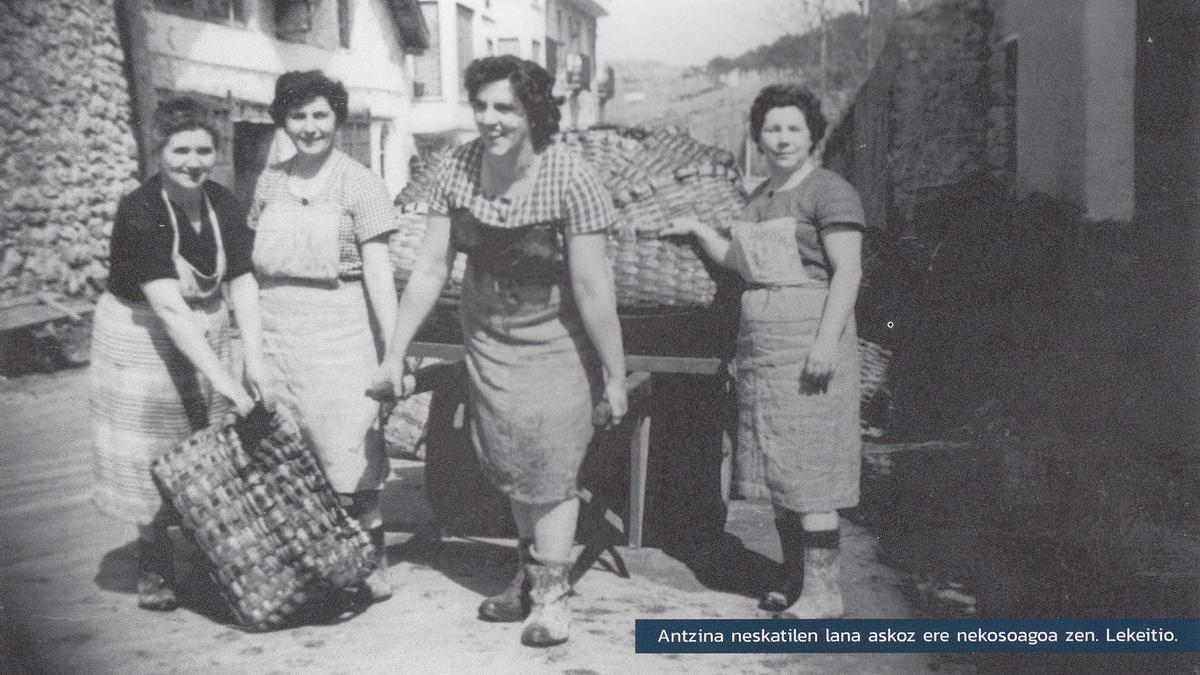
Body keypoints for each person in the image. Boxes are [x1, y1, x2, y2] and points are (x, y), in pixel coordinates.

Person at [372, 55, 627, 647]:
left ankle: (551, 597)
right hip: (488, 340)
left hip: (556, 341)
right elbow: (431, 268)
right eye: (482, 106)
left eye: (505, 108)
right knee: (513, 460)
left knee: (551, 465)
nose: (490, 119)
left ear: (533, 112)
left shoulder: (569, 176)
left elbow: (593, 287)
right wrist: (394, 353)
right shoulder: (456, 168)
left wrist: (615, 375)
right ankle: (530, 573)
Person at [660, 84, 870, 618]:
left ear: (813, 136)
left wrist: (824, 344)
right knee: (781, 470)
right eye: (772, 128)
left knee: (811, 469)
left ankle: (824, 593)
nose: (782, 138)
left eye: (794, 128)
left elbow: (849, 271)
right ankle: (795, 579)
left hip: (809, 340)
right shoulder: (759, 198)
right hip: (764, 349)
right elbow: (738, 260)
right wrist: (698, 230)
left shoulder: (830, 191)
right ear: (758, 137)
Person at [91, 97, 261, 611]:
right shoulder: (140, 211)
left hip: (204, 322)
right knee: (153, 447)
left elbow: (243, 280)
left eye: (203, 151)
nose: (193, 162)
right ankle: (155, 556)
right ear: (158, 151)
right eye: (180, 150)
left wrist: (252, 362)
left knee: (207, 439)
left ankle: (207, 545)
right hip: (142, 333)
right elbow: (167, 306)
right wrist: (226, 383)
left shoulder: (223, 203)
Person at [249, 70, 399, 601]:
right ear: (282, 121)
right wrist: (250, 347)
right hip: (279, 333)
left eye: (320, 115)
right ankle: (308, 566)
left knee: (349, 454)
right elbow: (252, 269)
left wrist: (393, 353)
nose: (310, 127)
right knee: (287, 454)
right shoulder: (269, 182)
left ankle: (372, 563)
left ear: (337, 118)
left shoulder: (360, 183)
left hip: (341, 335)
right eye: (298, 116)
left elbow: (379, 274)